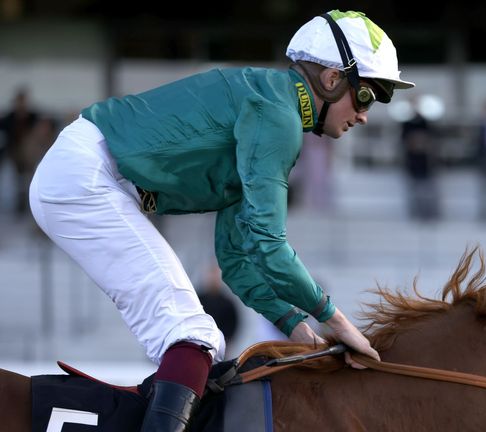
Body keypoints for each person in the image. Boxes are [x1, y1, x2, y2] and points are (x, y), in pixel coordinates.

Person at [28, 10, 413, 432]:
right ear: (331, 79)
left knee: (196, 339)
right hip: (86, 177)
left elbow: (234, 259)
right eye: (366, 97)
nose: (364, 116)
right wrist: (337, 321)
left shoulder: (272, 106)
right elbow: (270, 244)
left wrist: (295, 327)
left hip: (85, 172)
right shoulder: (277, 117)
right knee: (194, 336)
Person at [0, 88, 39, 217]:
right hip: (15, 152)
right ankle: (20, 204)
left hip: (30, 153)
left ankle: (27, 204)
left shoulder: (33, 117)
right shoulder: (9, 118)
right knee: (17, 180)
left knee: (29, 179)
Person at [401, 95, 440, 221]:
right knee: (414, 192)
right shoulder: (406, 124)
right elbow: (405, 141)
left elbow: (432, 141)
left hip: (426, 164)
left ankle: (429, 216)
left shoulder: (426, 122)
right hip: (413, 163)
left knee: (428, 192)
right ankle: (416, 216)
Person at [197, 263, 240, 350]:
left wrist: (225, 342)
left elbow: (232, 325)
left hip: (220, 346)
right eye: (211, 275)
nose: (213, 279)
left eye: (216, 276)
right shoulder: (197, 299)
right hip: (199, 343)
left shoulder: (227, 303)